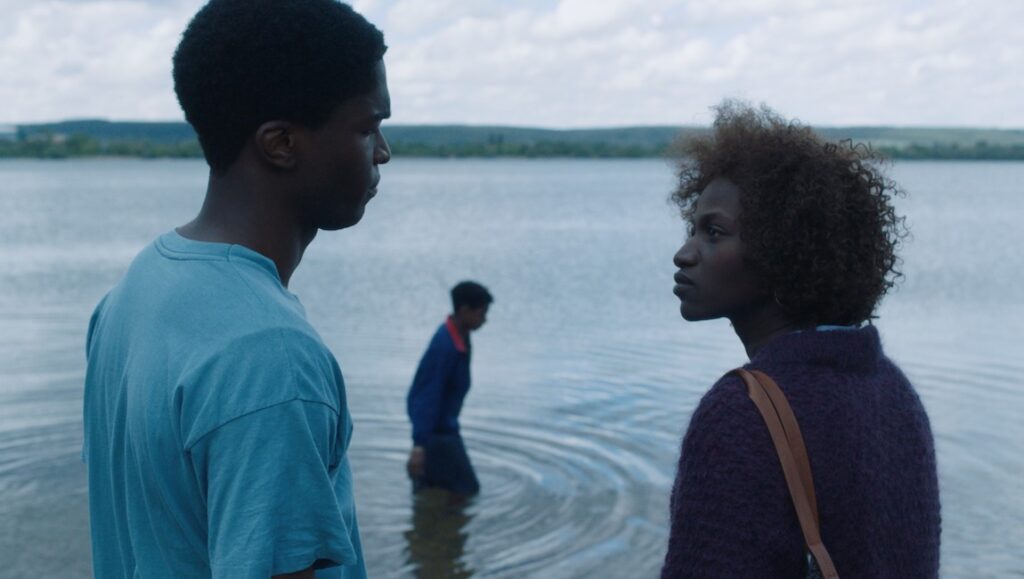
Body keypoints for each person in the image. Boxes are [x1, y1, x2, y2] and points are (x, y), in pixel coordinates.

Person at [81, 1, 390, 577]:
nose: (382, 153)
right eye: (368, 127)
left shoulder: (132, 293)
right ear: (280, 144)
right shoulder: (269, 355)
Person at [662, 101, 941, 578]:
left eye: (714, 232)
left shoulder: (740, 410)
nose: (684, 253)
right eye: (693, 229)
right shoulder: (893, 389)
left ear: (783, 249)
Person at [406, 281, 493, 497]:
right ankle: (442, 527)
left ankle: (433, 527)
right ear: (464, 310)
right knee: (467, 491)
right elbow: (427, 396)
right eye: (481, 313)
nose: (484, 320)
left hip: (440, 429)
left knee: (432, 490)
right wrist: (419, 446)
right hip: (437, 434)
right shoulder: (446, 346)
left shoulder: (459, 336)